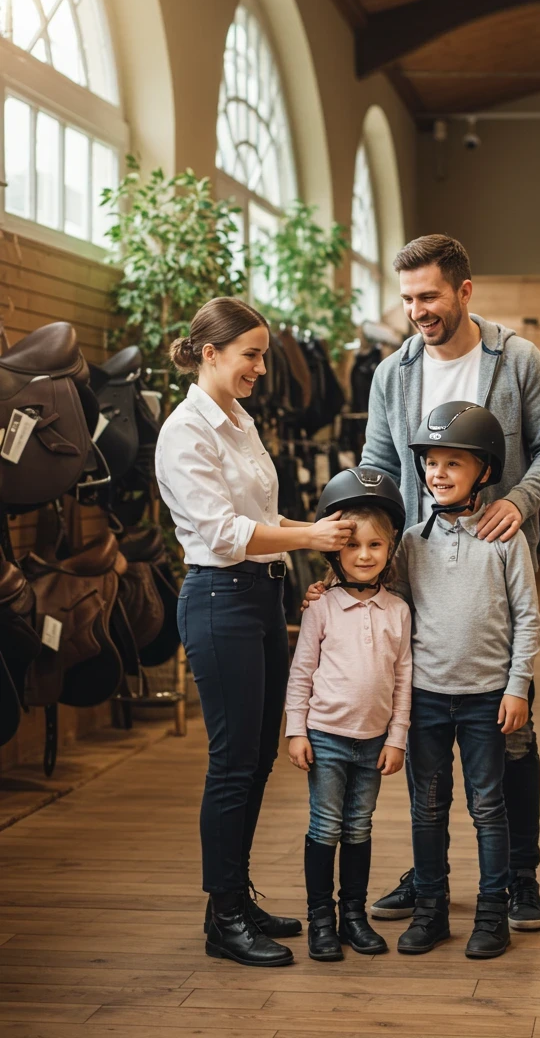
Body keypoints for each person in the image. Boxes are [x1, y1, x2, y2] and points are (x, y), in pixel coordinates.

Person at [361, 234, 540, 930]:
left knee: (508, 732)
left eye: (429, 296)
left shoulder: (515, 360)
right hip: (416, 573)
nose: (418, 310)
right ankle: (428, 877)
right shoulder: (394, 373)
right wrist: (371, 553)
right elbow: (378, 463)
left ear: (463, 291)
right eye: (408, 299)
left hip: (492, 567)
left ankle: (520, 876)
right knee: (424, 729)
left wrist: (518, 500)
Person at [156, 297, 356, 969]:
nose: (262, 369)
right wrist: (309, 534)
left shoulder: (239, 421)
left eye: (263, 355)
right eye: (251, 355)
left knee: (258, 758)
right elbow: (224, 533)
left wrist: (305, 546)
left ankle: (235, 895)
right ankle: (223, 918)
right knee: (232, 764)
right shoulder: (187, 431)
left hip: (262, 596)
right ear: (209, 353)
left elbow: (259, 514)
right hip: (220, 599)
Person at [391, 402, 540, 959]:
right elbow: (397, 615)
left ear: (484, 471)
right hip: (427, 698)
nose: (438, 474)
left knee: (488, 808)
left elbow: (528, 618)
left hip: (486, 700)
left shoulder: (505, 539)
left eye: (453, 464)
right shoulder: (411, 541)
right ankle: (430, 912)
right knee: (427, 808)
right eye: (431, 463)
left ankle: (491, 913)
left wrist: (517, 686)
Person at [285, 468, 411, 962]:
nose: (364, 555)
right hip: (327, 737)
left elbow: (403, 680)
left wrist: (397, 737)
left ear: (389, 550)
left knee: (359, 827)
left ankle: (353, 916)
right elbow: (301, 673)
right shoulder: (321, 607)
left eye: (376, 546)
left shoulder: (398, 611)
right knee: (325, 827)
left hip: (374, 741)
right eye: (354, 545)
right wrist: (296, 730)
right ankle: (322, 920)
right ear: (334, 549)